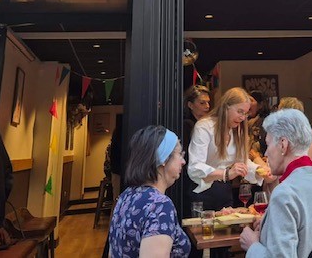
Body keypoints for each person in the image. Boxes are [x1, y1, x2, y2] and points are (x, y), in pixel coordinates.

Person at [240, 109, 312, 257]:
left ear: (283, 144)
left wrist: (252, 246)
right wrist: (268, 224)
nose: (266, 153)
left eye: (268, 145)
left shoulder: (285, 193)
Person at [187, 87, 264, 257]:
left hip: (224, 193)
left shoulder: (237, 131)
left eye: (246, 113)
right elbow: (194, 167)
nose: (243, 117)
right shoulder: (204, 127)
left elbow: (243, 162)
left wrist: (259, 171)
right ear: (226, 106)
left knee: (224, 246)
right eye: (240, 111)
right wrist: (226, 174)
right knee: (203, 246)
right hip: (203, 194)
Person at [109, 125, 190, 258]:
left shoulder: (126, 196)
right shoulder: (159, 205)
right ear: (164, 159)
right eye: (179, 154)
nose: (183, 161)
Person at [181, 85, 211, 218]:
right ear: (190, 105)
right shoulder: (187, 125)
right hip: (192, 179)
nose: (207, 106)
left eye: (208, 102)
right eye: (202, 103)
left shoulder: (209, 125)